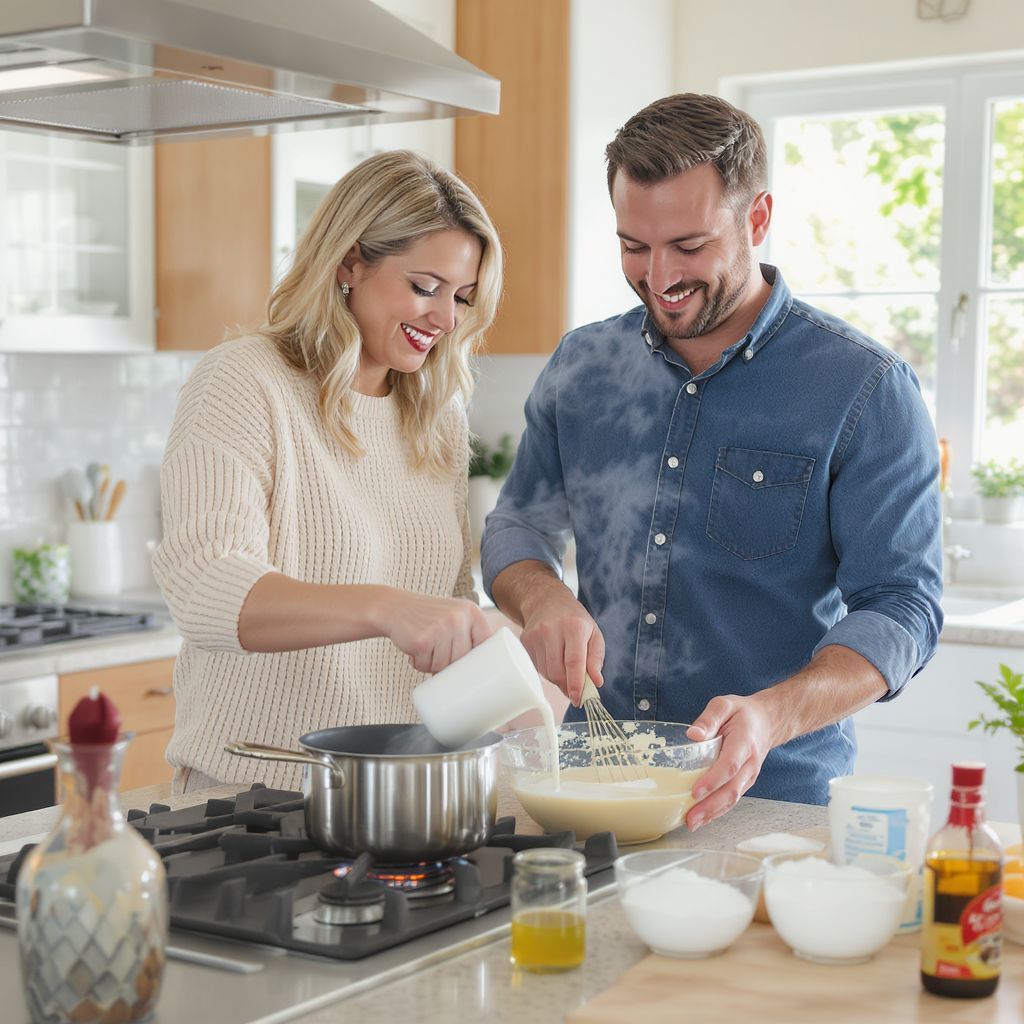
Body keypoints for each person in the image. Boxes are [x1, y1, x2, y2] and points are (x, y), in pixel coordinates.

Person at [481, 94, 943, 826]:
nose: (658, 276)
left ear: (757, 219)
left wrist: (773, 714)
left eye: (689, 246)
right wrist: (541, 597)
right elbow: (518, 526)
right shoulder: (581, 366)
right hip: (589, 789)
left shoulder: (864, 389)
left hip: (769, 801)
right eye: (634, 246)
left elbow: (902, 606)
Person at [153, 150, 503, 793]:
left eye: (462, 297)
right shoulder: (244, 380)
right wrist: (386, 608)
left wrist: (509, 657)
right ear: (349, 263)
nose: (447, 319)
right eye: (425, 287)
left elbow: (444, 611)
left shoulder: (436, 414)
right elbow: (206, 589)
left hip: (396, 797)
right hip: (251, 797)